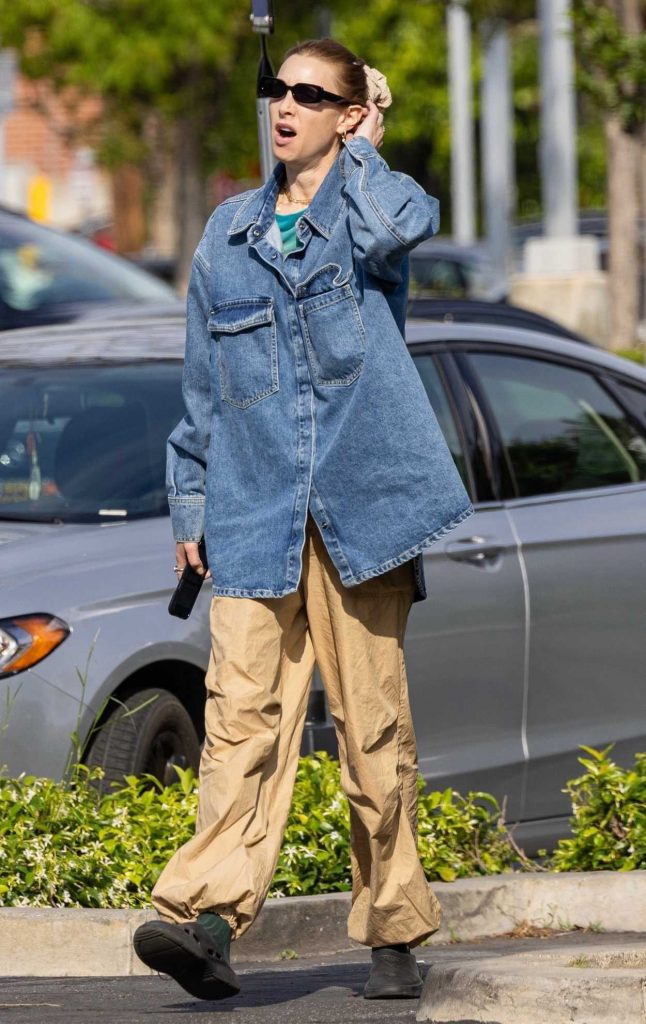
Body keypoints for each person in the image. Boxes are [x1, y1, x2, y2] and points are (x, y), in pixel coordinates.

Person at [133, 37, 474, 1002]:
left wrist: (366, 150)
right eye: (276, 87)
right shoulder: (227, 236)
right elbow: (201, 386)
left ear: (346, 112)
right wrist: (190, 498)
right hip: (251, 513)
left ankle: (394, 932)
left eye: (311, 94)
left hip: (361, 512)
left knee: (371, 728)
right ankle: (205, 922)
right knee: (240, 721)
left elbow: (393, 233)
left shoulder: (375, 204)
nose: (284, 104)